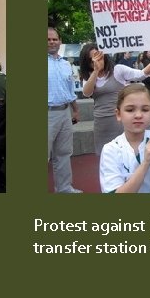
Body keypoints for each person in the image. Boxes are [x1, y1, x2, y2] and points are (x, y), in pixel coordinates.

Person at [79, 42, 150, 156]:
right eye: (92, 60)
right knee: (106, 155)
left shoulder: (117, 70)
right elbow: (87, 92)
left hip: (120, 120)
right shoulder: (89, 76)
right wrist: (95, 71)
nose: (97, 61)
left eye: (100, 57)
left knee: (127, 154)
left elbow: (142, 74)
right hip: (102, 123)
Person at [99, 84, 150, 193]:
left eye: (145, 109)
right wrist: (146, 163)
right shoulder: (111, 150)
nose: (138, 115)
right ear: (118, 114)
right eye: (130, 110)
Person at [48, 27, 81, 193]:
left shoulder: (66, 64)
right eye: (48, 39)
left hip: (65, 112)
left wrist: (75, 110)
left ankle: (64, 189)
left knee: (63, 153)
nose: (52, 42)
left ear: (60, 41)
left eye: (55, 39)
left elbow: (70, 91)